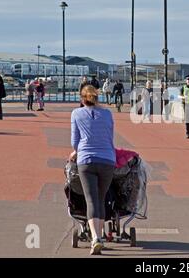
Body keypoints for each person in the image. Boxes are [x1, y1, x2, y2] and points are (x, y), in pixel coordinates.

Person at [69, 85, 116, 255]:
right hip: (108, 160)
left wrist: (76, 152)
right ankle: (101, 236)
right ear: (97, 98)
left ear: (82, 98)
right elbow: (110, 138)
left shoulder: (76, 114)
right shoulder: (108, 114)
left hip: (86, 160)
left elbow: (75, 141)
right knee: (101, 198)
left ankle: (95, 238)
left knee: (91, 199)